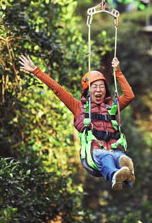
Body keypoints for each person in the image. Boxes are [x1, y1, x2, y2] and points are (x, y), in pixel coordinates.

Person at [18, 54, 136, 190]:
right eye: (94, 87)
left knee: (118, 155)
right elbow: (57, 89)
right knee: (106, 156)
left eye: (101, 87)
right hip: (92, 155)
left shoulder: (111, 107)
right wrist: (36, 71)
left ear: (106, 90)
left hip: (112, 148)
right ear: (87, 91)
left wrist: (118, 73)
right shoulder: (78, 107)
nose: (98, 90)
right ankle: (115, 175)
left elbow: (129, 96)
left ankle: (127, 172)